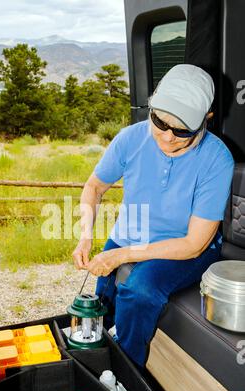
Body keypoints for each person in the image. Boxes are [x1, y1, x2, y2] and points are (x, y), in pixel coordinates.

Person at [72, 64, 234, 368]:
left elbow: (194, 244)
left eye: (182, 129)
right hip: (130, 235)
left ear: (206, 120)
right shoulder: (130, 139)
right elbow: (94, 187)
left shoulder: (217, 159)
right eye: (159, 121)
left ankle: (125, 373)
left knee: (139, 289)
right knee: (99, 305)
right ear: (152, 105)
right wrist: (86, 236)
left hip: (183, 247)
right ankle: (93, 364)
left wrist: (123, 256)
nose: (168, 137)